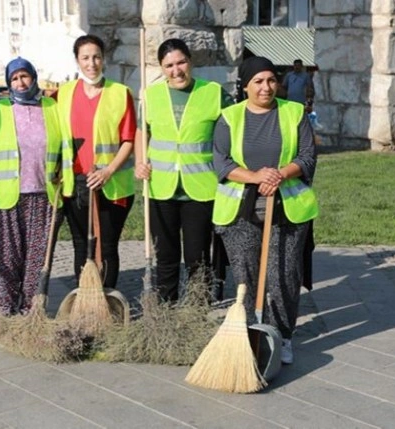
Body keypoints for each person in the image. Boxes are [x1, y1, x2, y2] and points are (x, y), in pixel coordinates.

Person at [212, 56, 318, 365]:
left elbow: (308, 156)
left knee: (282, 274)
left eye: (271, 80)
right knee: (246, 276)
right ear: (245, 86)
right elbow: (221, 161)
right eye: (258, 81)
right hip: (239, 211)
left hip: (286, 208)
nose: (266, 87)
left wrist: (280, 174)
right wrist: (256, 176)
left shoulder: (294, 112)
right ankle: (249, 333)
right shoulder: (229, 118)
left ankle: (281, 335)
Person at [134, 39, 234, 303]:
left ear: (191, 61)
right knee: (165, 255)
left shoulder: (213, 93)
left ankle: (196, 308)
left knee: (196, 255)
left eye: (181, 62)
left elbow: (231, 134)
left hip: (199, 188)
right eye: (169, 65)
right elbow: (141, 131)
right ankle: (167, 308)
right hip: (160, 187)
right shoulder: (150, 96)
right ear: (161, 68)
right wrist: (139, 162)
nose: (176, 70)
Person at [56, 34, 136, 290]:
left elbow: (129, 139)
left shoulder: (120, 93)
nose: (92, 63)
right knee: (82, 244)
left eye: (97, 57)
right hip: (76, 182)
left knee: (107, 245)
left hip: (111, 182)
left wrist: (108, 171)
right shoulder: (63, 94)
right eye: (86, 58)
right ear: (77, 60)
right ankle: (85, 300)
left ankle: (107, 300)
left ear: (104, 59)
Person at [0, 57, 62, 315]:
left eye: (24, 76)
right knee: (5, 255)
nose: (20, 82)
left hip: (43, 193)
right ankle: (3, 307)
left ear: (33, 77)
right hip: (7, 194)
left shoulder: (51, 107)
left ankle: (32, 307)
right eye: (14, 78)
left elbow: (66, 145)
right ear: (9, 83)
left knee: (37, 257)